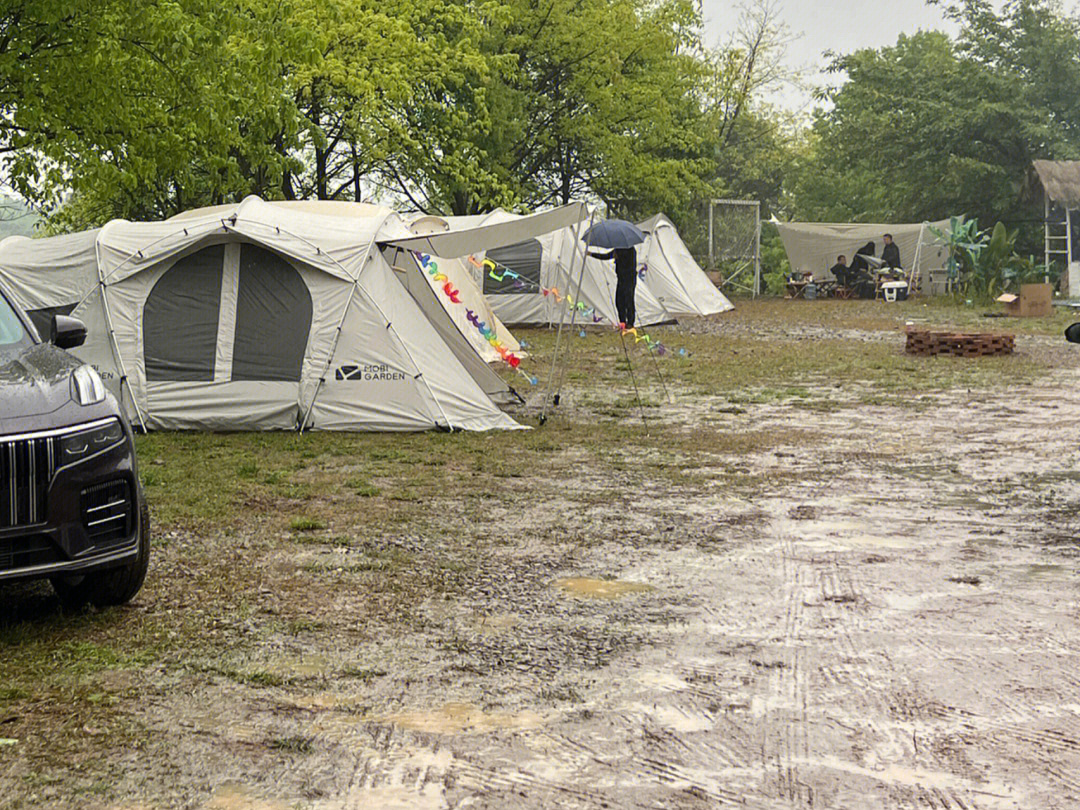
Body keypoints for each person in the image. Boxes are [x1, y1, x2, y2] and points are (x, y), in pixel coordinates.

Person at [588, 246, 638, 327]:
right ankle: (622, 321)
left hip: (629, 278)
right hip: (621, 278)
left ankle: (630, 322)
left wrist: (620, 258)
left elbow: (630, 264)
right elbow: (606, 256)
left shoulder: (631, 250)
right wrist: (591, 254)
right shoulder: (618, 249)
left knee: (629, 300)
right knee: (619, 301)